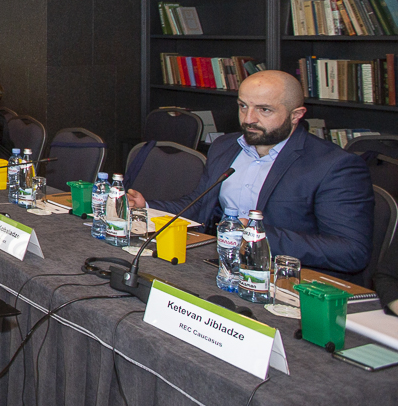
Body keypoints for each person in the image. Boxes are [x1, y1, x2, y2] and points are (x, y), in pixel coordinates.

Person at [127, 70, 374, 278]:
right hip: (218, 266)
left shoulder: (334, 166)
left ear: (296, 115)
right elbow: (200, 205)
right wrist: (146, 207)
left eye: (264, 110)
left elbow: (350, 251)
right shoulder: (225, 146)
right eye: (243, 106)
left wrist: (256, 236)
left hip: (284, 279)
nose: (248, 119)